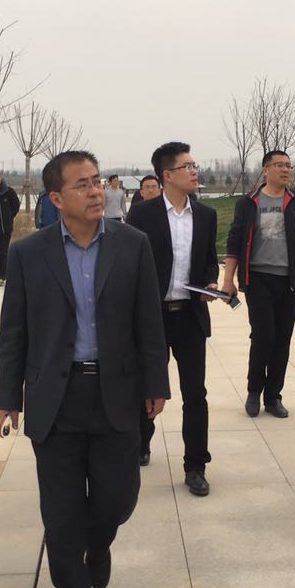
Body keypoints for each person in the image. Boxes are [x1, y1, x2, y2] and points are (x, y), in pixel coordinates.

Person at [0, 150, 169, 588]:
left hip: (116, 391)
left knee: (118, 497)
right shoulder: (28, 254)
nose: (95, 191)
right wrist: (7, 396)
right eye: (82, 185)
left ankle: (99, 542)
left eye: (96, 182)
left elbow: (148, 322)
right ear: (56, 198)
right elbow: (15, 332)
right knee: (61, 508)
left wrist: (156, 383)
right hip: (56, 396)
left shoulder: (132, 245)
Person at [127, 143, 220, 495]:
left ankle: (196, 465)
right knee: (145, 387)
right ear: (167, 175)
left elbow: (209, 262)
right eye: (187, 167)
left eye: (195, 165)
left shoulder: (206, 215)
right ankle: (140, 442)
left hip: (190, 317)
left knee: (195, 393)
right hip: (151, 318)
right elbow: (130, 265)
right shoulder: (143, 215)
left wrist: (210, 283)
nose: (195, 172)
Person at [220, 150, 295, 418]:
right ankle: (254, 391)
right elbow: (234, 241)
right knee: (264, 335)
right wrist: (228, 280)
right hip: (257, 279)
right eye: (279, 165)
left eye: (289, 165)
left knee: (282, 339)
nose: (286, 170)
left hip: (289, 281)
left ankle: (273, 396)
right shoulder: (249, 203)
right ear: (265, 169)